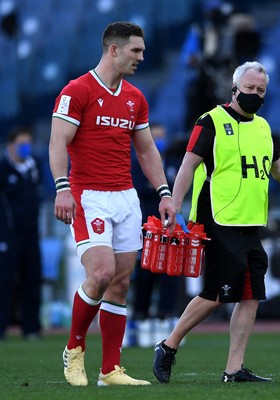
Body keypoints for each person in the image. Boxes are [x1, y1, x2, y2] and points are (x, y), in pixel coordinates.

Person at [153, 61, 280, 384]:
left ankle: (233, 370)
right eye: (249, 88)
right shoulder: (211, 122)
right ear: (234, 89)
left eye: (260, 90)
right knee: (217, 293)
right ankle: (168, 346)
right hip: (217, 219)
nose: (255, 94)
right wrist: (175, 204)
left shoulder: (264, 129)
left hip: (249, 223)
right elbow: (189, 165)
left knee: (250, 294)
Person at [48, 21, 175, 387]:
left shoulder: (135, 97)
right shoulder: (77, 90)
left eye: (143, 51)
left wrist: (164, 192)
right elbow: (58, 142)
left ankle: (110, 371)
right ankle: (73, 349)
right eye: (136, 51)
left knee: (120, 284)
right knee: (100, 274)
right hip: (89, 196)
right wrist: (61, 188)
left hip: (125, 198)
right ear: (114, 50)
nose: (141, 57)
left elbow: (147, 149)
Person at [130, 123, 183, 347]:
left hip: (168, 227)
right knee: (145, 273)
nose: (159, 141)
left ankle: (166, 316)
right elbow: (139, 189)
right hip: (145, 225)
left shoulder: (172, 163)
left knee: (171, 271)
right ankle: (139, 318)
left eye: (162, 136)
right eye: (155, 137)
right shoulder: (136, 164)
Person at [0, 126, 42, 340]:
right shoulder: (3, 169)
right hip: (8, 234)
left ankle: (31, 328)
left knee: (32, 279)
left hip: (31, 232)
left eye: (28, 143)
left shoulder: (33, 167)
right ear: (10, 146)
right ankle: (2, 327)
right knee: (5, 280)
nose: (26, 148)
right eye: (21, 144)